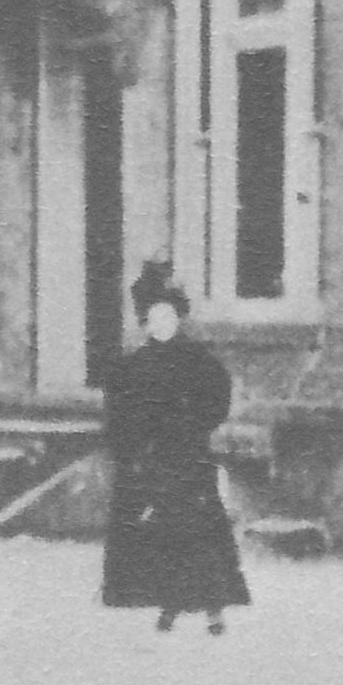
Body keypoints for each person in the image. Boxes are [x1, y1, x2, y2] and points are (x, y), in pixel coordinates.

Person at [102, 262, 249, 635]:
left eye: (168, 316)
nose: (162, 324)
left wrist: (193, 426)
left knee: (200, 535)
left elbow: (217, 399)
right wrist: (132, 444)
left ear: (179, 320)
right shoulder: (132, 368)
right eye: (154, 318)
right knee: (161, 536)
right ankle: (166, 604)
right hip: (151, 464)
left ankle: (214, 608)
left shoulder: (198, 363)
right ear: (146, 323)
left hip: (189, 460)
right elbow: (119, 414)